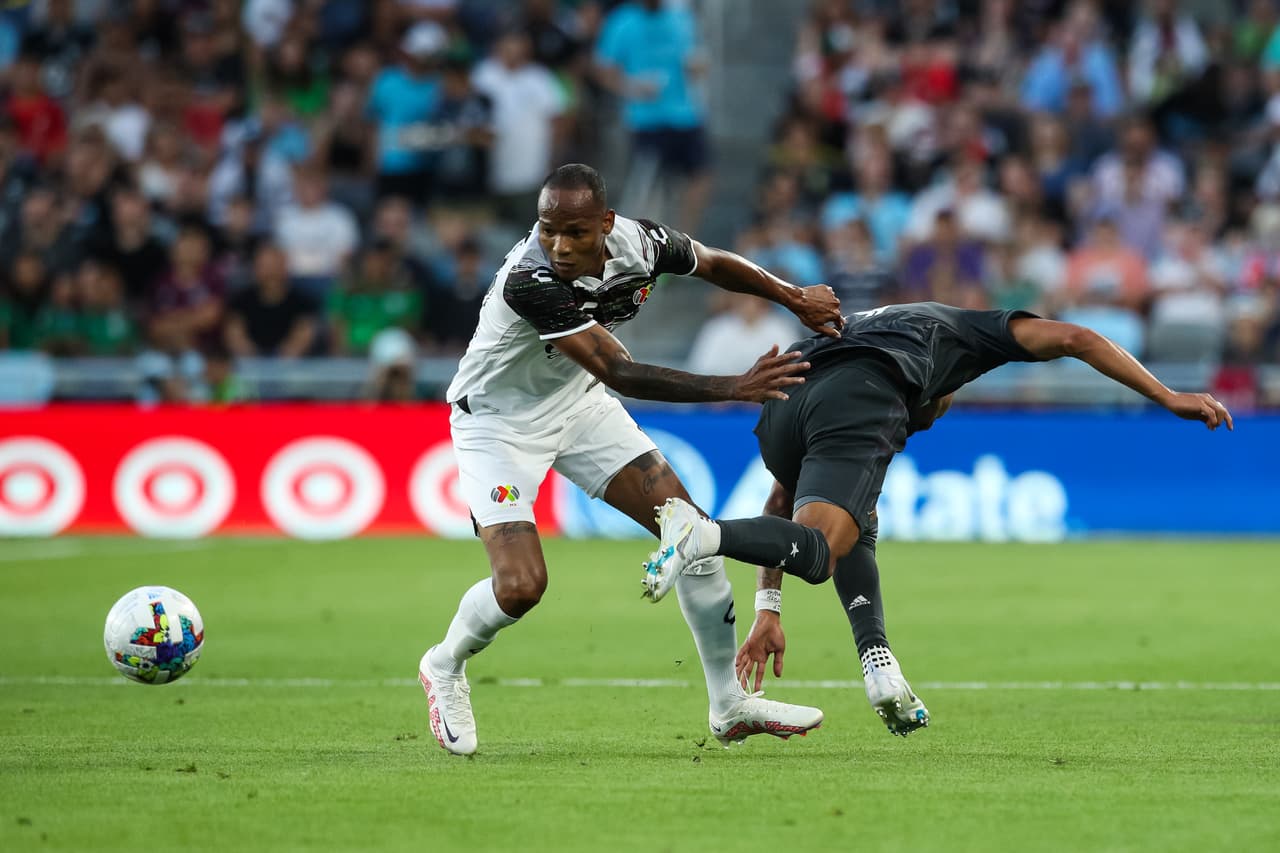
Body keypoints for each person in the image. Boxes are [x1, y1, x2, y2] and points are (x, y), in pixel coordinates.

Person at [641, 302, 1234, 736]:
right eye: (938, 408)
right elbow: (1077, 336)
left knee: (851, 522)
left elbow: (780, 503)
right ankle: (700, 533)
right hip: (858, 388)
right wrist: (1168, 396)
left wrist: (768, 609)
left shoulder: (868, 321)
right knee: (823, 551)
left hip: (787, 402)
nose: (932, 418)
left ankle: (879, 665)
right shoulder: (965, 332)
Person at [420, 163, 843, 756]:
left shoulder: (641, 242)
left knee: (692, 533)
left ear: (606, 224)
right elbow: (618, 370)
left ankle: (729, 706)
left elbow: (715, 262)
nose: (560, 247)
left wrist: (793, 297)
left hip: (578, 405)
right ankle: (443, 664)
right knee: (521, 586)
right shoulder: (530, 280)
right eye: (548, 231)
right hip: (497, 425)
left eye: (576, 233)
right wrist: (732, 386)